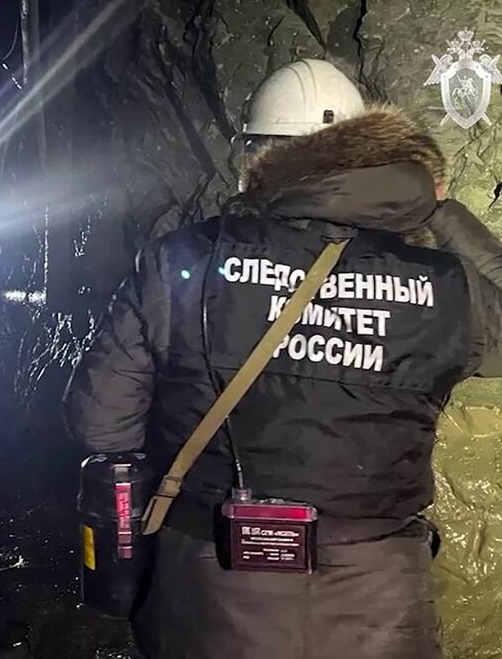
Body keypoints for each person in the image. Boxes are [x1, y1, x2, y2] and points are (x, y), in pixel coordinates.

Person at [63, 58, 502, 658]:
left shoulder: (185, 259)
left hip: (213, 585)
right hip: (379, 593)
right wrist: (439, 210)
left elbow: (100, 422)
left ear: (259, 157)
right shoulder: (445, 283)